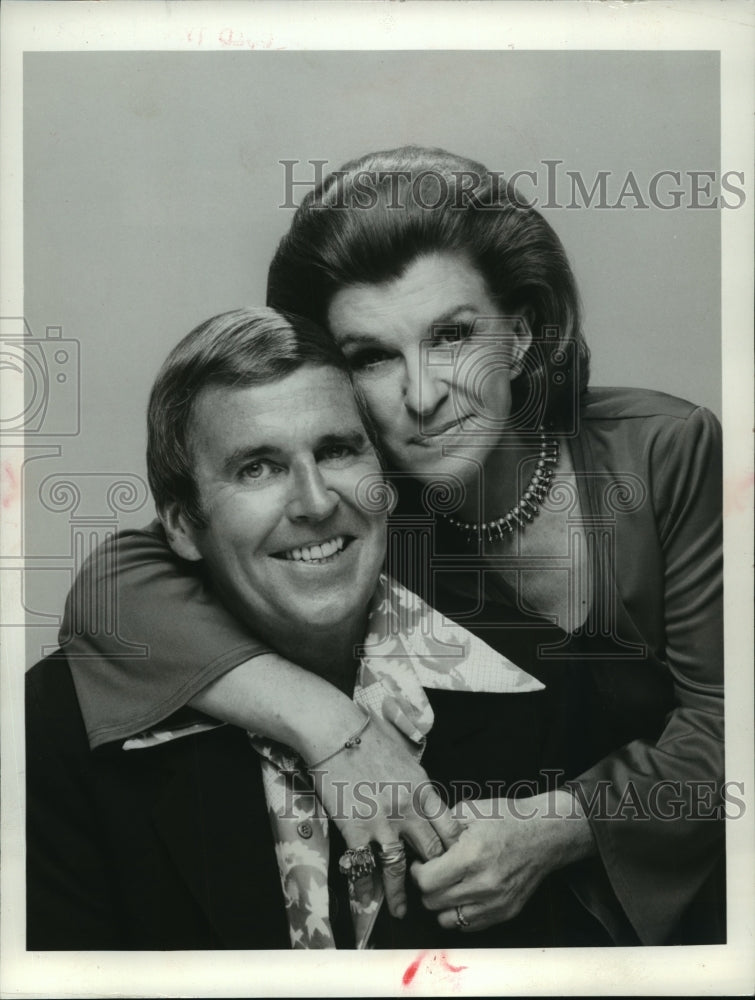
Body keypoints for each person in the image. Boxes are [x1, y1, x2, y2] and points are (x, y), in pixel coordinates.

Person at [54, 147, 725, 946]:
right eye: (372, 356)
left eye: (452, 336)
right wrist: (326, 725)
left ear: (520, 332)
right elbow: (117, 589)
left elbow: (735, 728)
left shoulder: (660, 452)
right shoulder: (360, 499)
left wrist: (555, 827)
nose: (421, 393)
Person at [28, 306, 593, 951]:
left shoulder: (547, 690)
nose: (316, 502)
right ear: (182, 523)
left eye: (337, 450)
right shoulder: (52, 733)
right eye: (257, 468)